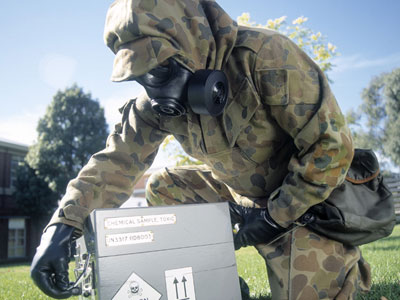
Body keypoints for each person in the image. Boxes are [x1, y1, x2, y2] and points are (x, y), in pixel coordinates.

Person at [30, 0, 372, 299]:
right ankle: (216, 284)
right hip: (239, 199)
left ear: (192, 40)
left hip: (303, 205)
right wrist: (62, 228)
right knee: (163, 187)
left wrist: (274, 218)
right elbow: (113, 164)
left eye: (162, 68)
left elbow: (330, 149)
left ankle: (343, 261)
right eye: (142, 74)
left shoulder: (267, 57)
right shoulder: (151, 106)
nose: (155, 87)